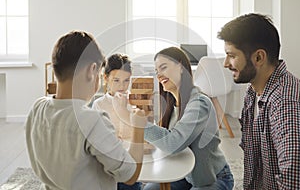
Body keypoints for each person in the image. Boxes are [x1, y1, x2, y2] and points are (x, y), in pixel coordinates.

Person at [25, 31, 147, 190]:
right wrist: (138, 128)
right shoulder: (92, 120)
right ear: (92, 70)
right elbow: (130, 176)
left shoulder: (37, 108)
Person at [217, 13, 300, 189]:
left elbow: (293, 180)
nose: (225, 63)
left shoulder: (285, 104)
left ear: (259, 58)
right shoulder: (253, 91)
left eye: (231, 55)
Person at [143, 47, 234, 190]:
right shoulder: (171, 106)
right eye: (156, 71)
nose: (159, 75)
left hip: (212, 178)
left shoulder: (199, 103)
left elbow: (173, 143)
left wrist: (141, 125)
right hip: (186, 175)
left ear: (180, 67)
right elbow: (164, 141)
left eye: (163, 67)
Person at [92, 53, 142, 190]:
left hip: (130, 162)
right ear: (106, 78)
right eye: (116, 80)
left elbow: (141, 135)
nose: (122, 86)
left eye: (126, 81)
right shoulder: (99, 105)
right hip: (109, 166)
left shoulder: (135, 104)